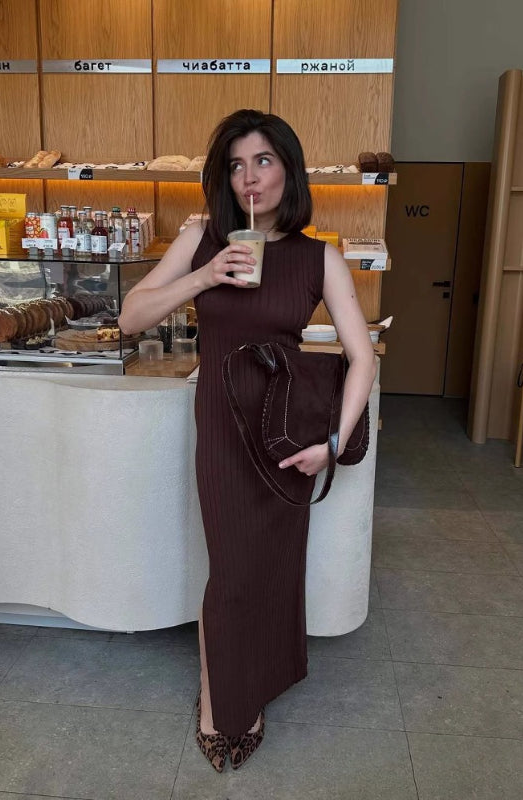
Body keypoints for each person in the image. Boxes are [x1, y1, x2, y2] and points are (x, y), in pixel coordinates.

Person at [118, 109, 377, 771]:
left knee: (272, 567)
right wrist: (204, 275)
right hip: (222, 426)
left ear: (288, 168)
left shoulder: (318, 256)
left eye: (263, 160)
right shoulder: (202, 238)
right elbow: (129, 317)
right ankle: (222, 699)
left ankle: (257, 679)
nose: (249, 177)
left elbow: (362, 356)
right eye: (236, 165)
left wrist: (333, 441)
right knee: (231, 570)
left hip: (284, 432)